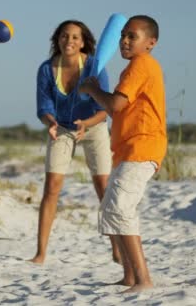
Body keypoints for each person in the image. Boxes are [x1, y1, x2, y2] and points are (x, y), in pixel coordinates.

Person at [79, 15, 166, 293]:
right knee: (111, 209)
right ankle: (129, 277)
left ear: (150, 43)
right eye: (123, 35)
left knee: (120, 209)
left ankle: (143, 280)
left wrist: (93, 90)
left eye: (133, 36)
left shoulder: (140, 65)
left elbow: (115, 105)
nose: (124, 41)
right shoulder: (136, 67)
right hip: (128, 149)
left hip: (142, 147)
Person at [30, 20, 120, 264]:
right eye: (64, 36)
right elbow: (43, 106)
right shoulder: (46, 69)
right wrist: (50, 122)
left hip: (94, 126)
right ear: (57, 39)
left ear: (83, 42)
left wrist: (87, 124)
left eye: (74, 37)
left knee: (103, 187)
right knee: (52, 187)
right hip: (61, 127)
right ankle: (40, 253)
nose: (69, 41)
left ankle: (117, 249)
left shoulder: (94, 66)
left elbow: (105, 109)